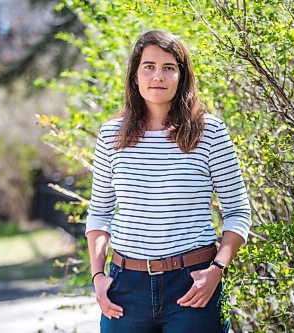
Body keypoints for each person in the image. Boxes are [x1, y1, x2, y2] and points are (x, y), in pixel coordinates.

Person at [85, 30, 252, 333]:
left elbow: (238, 211)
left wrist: (216, 270)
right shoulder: (110, 135)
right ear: (135, 76)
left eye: (168, 68)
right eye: (148, 66)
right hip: (125, 288)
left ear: (181, 76)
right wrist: (98, 277)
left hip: (192, 284)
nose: (157, 76)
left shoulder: (209, 132)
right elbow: (99, 213)